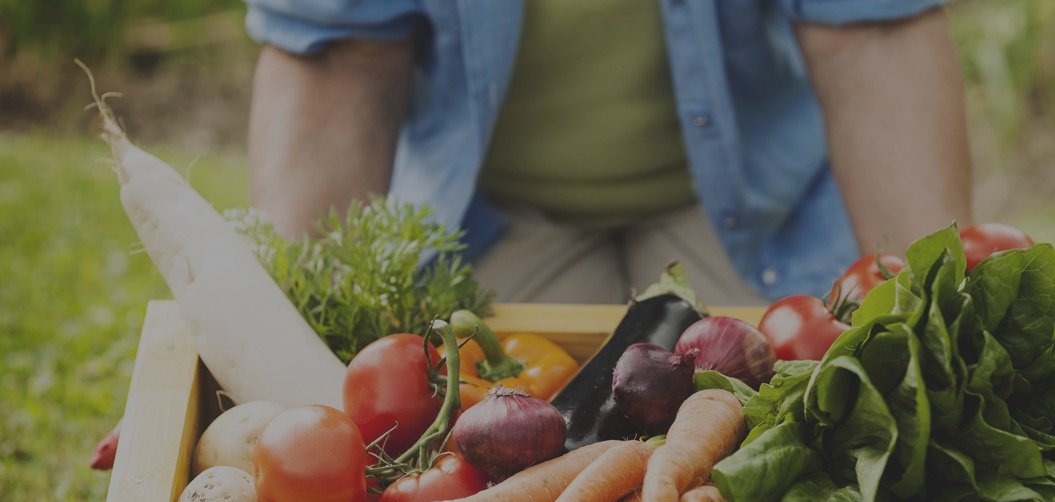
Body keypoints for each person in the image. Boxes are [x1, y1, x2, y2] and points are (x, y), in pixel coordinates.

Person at [244, 1, 972, 306]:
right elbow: (343, 56)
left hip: (756, 206)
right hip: (488, 214)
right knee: (486, 451)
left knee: (813, 447)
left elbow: (868, 36)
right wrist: (284, 334)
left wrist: (940, 318)